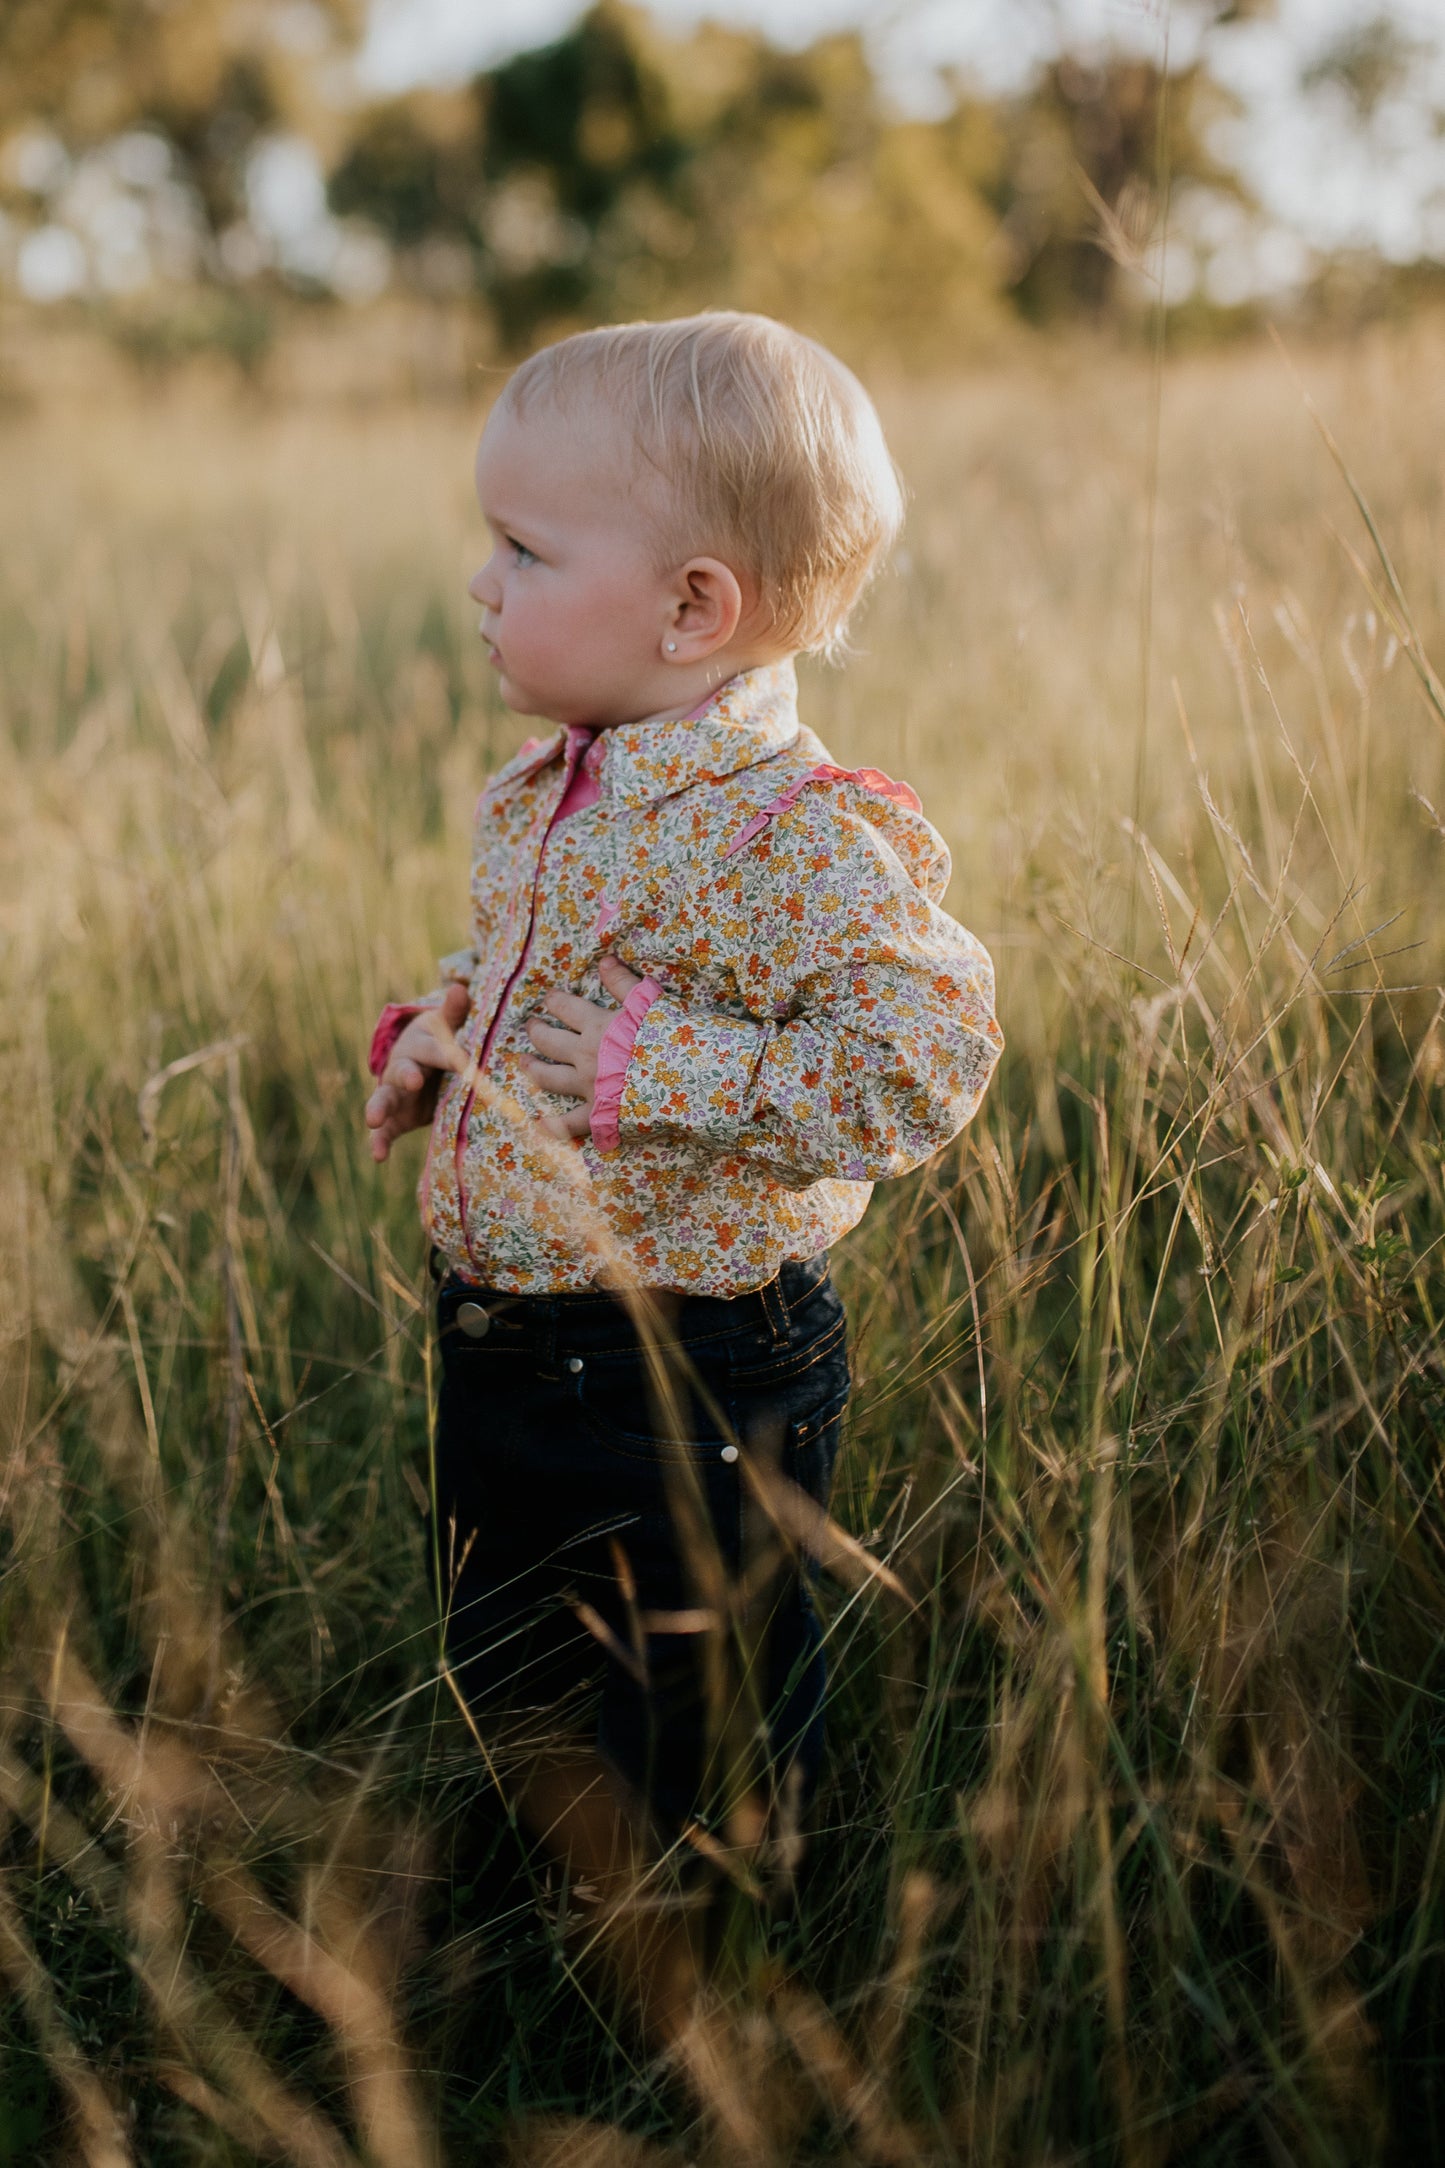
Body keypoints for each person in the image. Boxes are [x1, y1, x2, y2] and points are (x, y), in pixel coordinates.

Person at [363, 311, 1001, 2023]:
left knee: (694, 1690)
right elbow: (529, 988)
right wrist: (441, 1045)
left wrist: (675, 1074)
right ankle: (533, 1924)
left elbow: (926, 1061)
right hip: (503, 1331)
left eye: (521, 548)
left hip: (686, 1354)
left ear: (692, 608)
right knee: (510, 1650)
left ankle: (693, 2001)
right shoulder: (548, 783)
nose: (482, 586)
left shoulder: (796, 835)